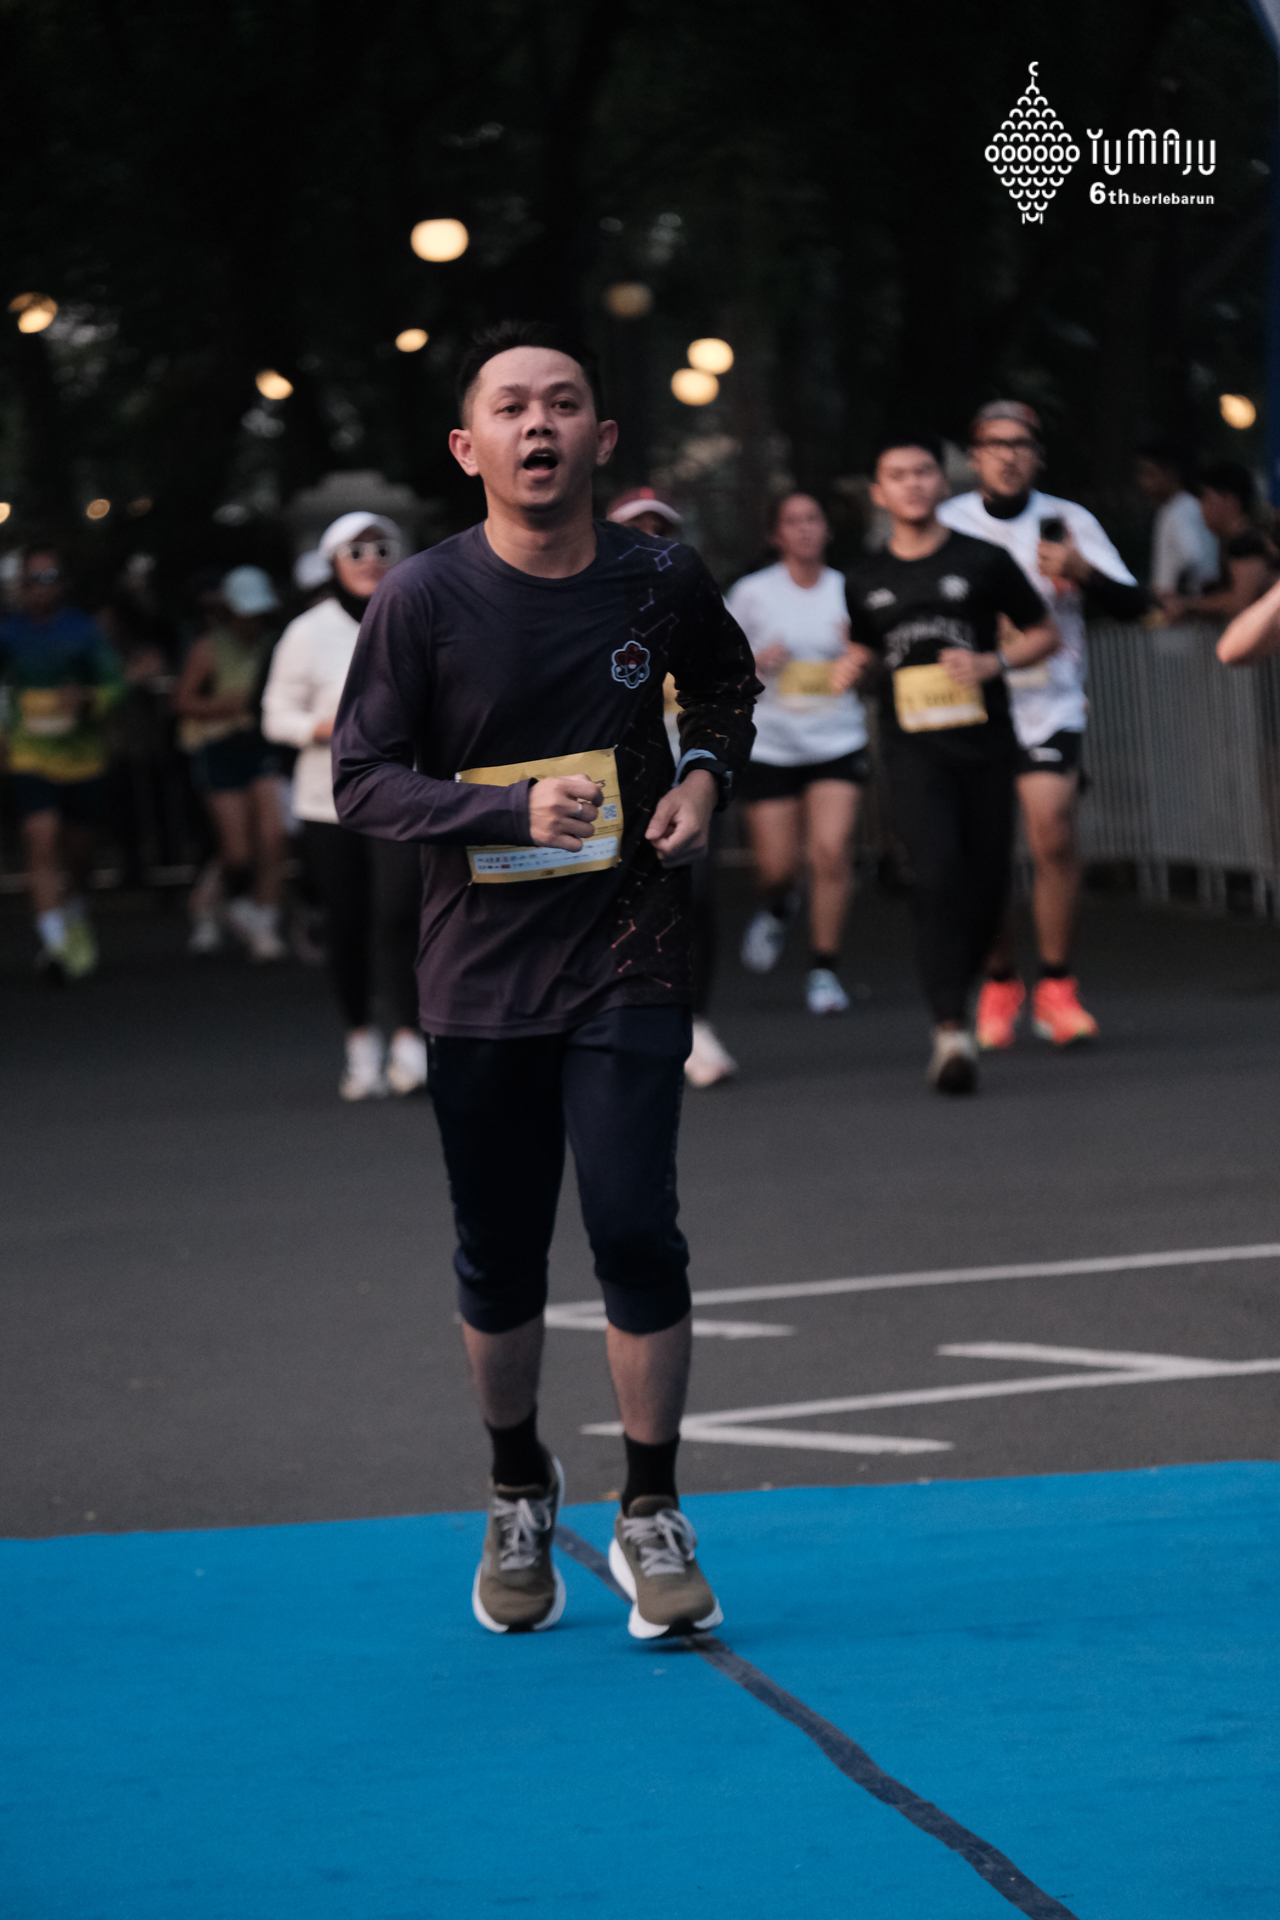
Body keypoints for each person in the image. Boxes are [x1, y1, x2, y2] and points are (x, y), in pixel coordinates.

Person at [333, 318, 760, 1637]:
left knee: (634, 1226)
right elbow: (361, 781)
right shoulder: (421, 599)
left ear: (601, 436)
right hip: (478, 974)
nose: (538, 425)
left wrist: (701, 780)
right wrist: (498, 813)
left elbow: (725, 691)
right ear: (468, 446)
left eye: (563, 403)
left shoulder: (658, 576)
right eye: (511, 406)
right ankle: (519, 1485)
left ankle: (652, 1512)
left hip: (628, 950)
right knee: (502, 1250)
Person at [844, 433, 1057, 1092]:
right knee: (936, 874)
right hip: (913, 751)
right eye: (897, 475)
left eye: (922, 472)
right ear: (880, 494)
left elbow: (1044, 631)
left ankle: (964, 991)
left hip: (986, 746)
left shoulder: (984, 560)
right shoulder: (864, 578)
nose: (911, 484)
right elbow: (865, 649)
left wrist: (992, 661)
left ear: (942, 484)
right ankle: (950, 1029)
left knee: (986, 884)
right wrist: (854, 669)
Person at [937, 401, 1146, 1050]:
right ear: (974, 457)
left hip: (1049, 704)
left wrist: (1080, 571)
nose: (1008, 456)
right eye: (994, 444)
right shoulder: (949, 523)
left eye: (1021, 444)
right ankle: (1001, 980)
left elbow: (1134, 603)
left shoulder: (1070, 521)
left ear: (1038, 456)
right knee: (984, 854)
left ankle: (1057, 985)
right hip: (969, 704)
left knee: (1052, 833)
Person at [262, 514, 426, 1101]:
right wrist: (321, 726)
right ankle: (360, 1040)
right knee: (346, 922)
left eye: (382, 548)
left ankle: (410, 1038)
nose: (370, 560)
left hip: (402, 794)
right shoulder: (307, 632)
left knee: (400, 911)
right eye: (355, 551)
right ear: (332, 563)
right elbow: (274, 715)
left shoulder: (416, 616)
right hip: (328, 801)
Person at [607, 484, 736, 1088]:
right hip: (605, 778)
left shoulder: (694, 597)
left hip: (685, 772)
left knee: (695, 893)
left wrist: (708, 768)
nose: (651, 540)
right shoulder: (581, 598)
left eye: (662, 529)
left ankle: (696, 1023)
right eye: (637, 529)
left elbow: (727, 690)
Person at [727, 493, 869, 1016]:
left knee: (830, 853)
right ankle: (778, 906)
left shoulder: (850, 590)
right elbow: (716, 661)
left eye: (814, 518)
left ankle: (824, 970)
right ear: (776, 535)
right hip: (772, 743)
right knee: (777, 869)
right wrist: (752, 663)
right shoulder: (751, 593)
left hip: (837, 739)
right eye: (793, 521)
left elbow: (876, 663)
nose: (805, 529)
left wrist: (859, 658)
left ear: (827, 529)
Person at [0, 542, 124, 978]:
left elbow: (117, 685)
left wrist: (88, 698)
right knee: (41, 839)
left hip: (82, 758)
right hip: (31, 755)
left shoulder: (84, 631)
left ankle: (74, 911)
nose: (41, 587)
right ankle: (54, 944)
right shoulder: (9, 634)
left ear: (64, 584)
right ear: (21, 585)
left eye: (49, 578)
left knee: (79, 853)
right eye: (33, 579)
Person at [174, 564, 287, 960]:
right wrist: (228, 705)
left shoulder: (274, 643)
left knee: (274, 836)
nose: (252, 620)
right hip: (219, 748)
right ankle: (209, 899)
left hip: (260, 745)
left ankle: (264, 919)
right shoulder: (209, 647)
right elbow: (183, 702)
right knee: (237, 850)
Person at [1159, 463, 1276, 624]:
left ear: (1231, 502)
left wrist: (1188, 604)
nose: (1201, 508)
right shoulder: (1241, 542)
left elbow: (1240, 602)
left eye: (1207, 499)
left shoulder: (1245, 544)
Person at [1135, 442, 1218, 599]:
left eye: (1149, 472)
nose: (1143, 481)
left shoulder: (1178, 510)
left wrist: (1175, 596)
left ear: (1170, 472)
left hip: (1180, 605)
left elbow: (1192, 557)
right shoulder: (1188, 505)